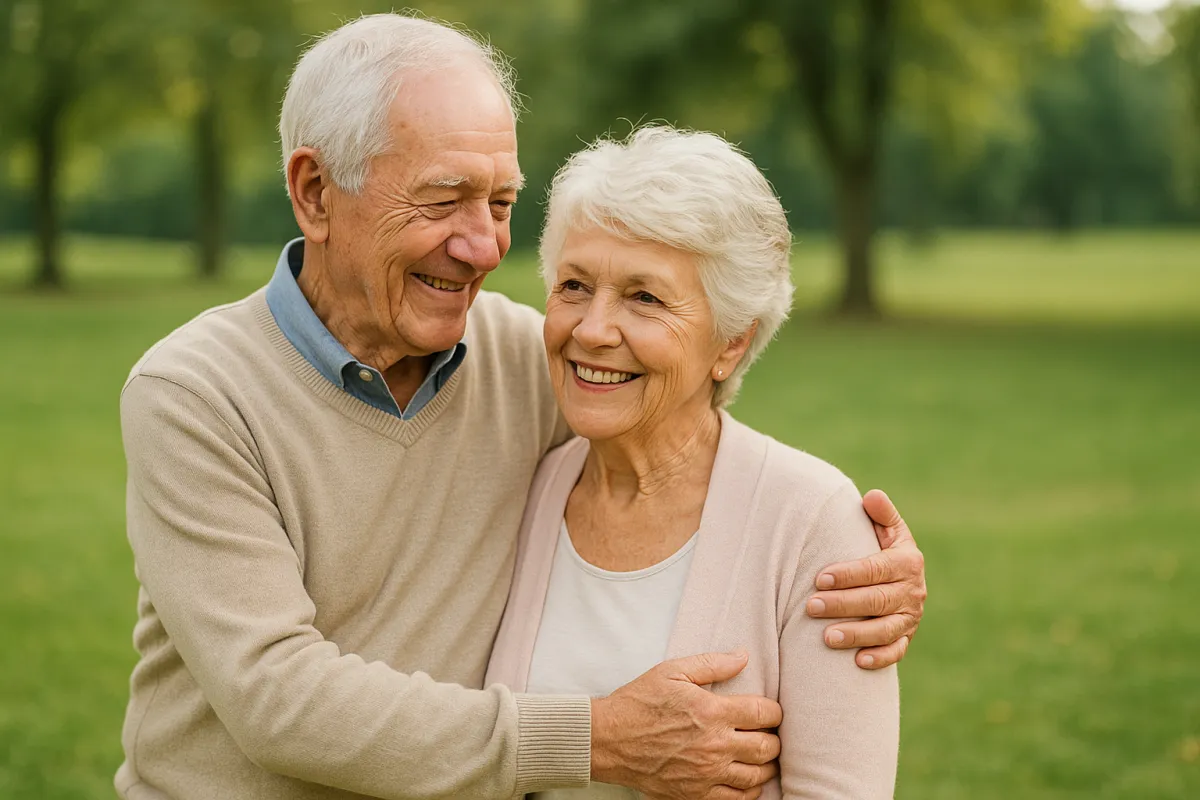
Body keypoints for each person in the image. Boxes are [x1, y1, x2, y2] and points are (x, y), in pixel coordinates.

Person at [115, 13, 925, 800]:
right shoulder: (195, 396)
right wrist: (597, 737)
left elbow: (681, 411)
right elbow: (276, 699)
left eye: (501, 204)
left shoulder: (524, 358)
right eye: (443, 200)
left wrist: (858, 560)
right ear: (316, 192)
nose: (484, 246)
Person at [487, 127, 899, 799]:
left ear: (730, 346)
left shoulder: (813, 521)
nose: (592, 329)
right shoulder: (526, 486)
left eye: (644, 297)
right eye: (573, 285)